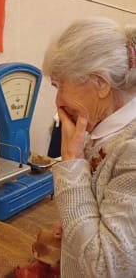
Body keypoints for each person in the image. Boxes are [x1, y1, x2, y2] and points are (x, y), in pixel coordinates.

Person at [42, 16, 136, 277]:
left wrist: (72, 164)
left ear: (101, 84)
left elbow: (106, 267)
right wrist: (77, 224)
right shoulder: (103, 132)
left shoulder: (132, 150)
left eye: (61, 86)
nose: (58, 102)